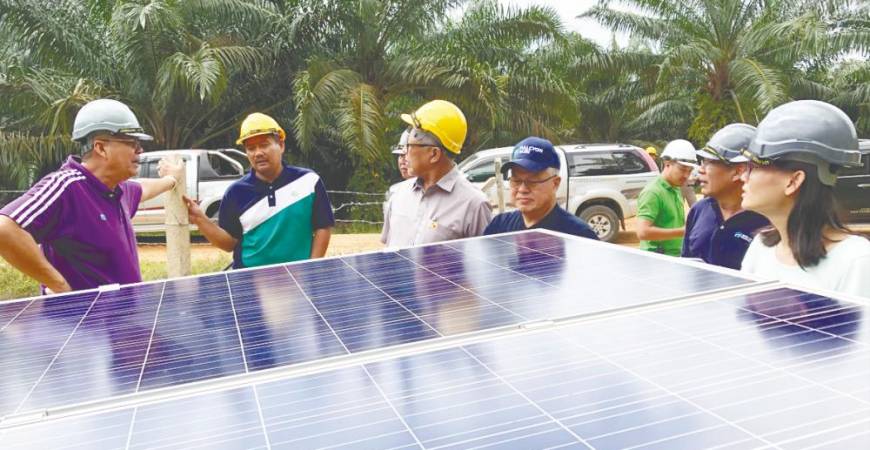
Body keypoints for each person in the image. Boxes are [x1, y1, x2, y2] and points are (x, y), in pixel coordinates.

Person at [0, 99, 183, 293]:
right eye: (131, 143)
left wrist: (172, 178)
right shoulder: (67, 187)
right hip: (81, 322)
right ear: (101, 148)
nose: (140, 150)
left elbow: (145, 188)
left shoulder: (118, 190)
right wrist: (59, 286)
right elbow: (4, 229)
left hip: (123, 319)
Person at [739, 100, 870, 299]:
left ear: (793, 181)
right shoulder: (760, 248)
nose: (742, 177)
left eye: (753, 167)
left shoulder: (856, 261)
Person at [185, 112, 334, 269]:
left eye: (264, 145)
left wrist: (312, 267)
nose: (258, 153)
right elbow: (229, 243)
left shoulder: (309, 181)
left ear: (281, 145)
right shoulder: (235, 193)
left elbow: (323, 227)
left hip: (299, 278)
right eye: (251, 148)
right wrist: (200, 219)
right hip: (249, 282)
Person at [381, 100, 491, 247]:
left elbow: (484, 265)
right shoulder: (399, 194)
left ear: (434, 154)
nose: (404, 152)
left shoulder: (474, 205)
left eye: (409, 146)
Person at [683, 124, 769, 269]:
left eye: (709, 162)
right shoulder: (699, 210)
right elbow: (686, 264)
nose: (700, 171)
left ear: (738, 171)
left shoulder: (768, 221)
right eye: (702, 162)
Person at [484, 137, 598, 240]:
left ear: (555, 183)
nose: (522, 189)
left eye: (532, 180)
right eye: (516, 180)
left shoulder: (578, 235)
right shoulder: (499, 227)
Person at [636, 139, 697, 256]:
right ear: (667, 163)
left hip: (675, 258)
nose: (686, 175)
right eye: (682, 169)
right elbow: (642, 232)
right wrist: (681, 232)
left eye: (689, 171)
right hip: (657, 260)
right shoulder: (653, 192)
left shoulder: (675, 188)